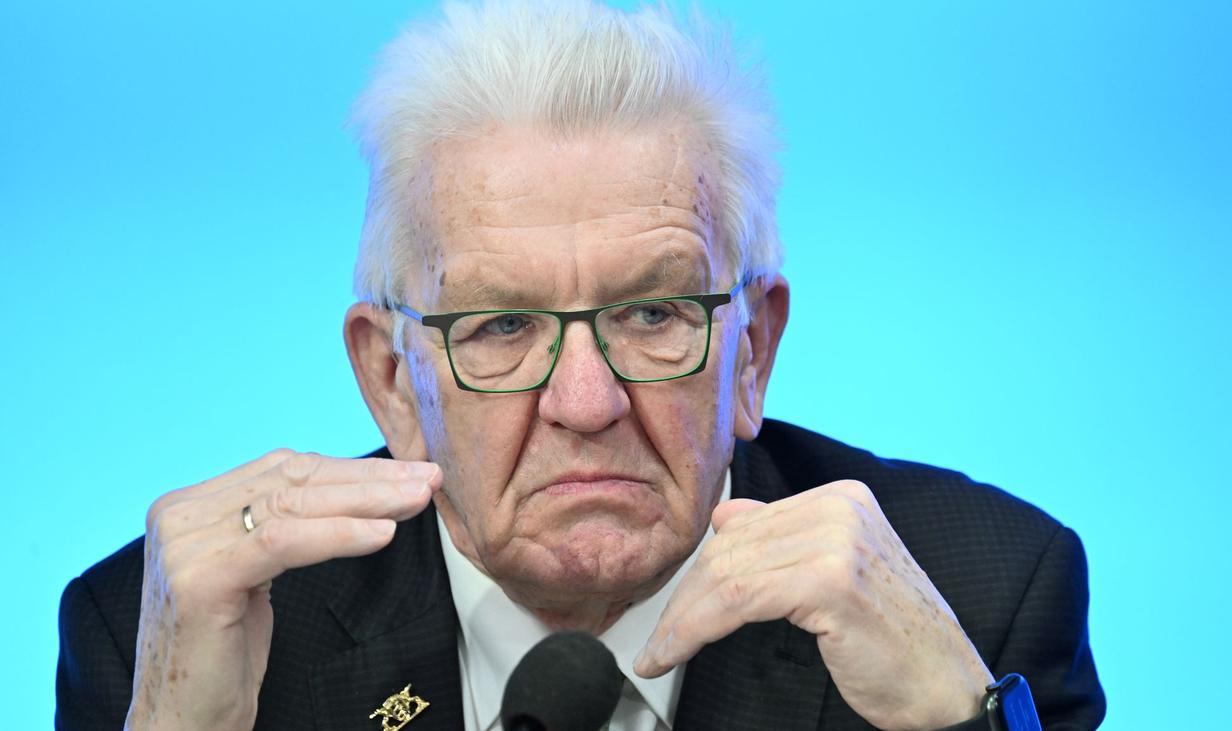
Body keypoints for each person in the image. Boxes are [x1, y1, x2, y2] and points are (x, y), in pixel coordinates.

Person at [56, 1, 1105, 730]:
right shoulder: (180, 634)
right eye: (502, 325)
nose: (587, 400)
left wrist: (964, 724)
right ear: (392, 381)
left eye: (652, 312)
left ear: (752, 352)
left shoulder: (982, 593)